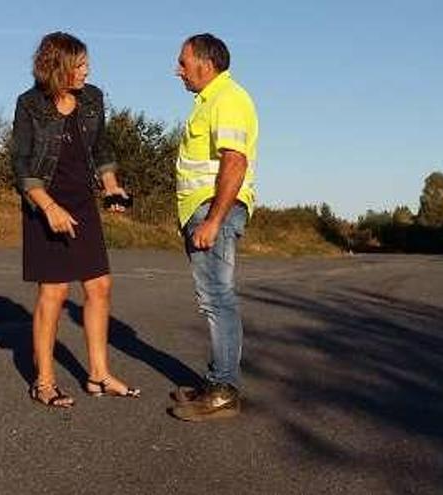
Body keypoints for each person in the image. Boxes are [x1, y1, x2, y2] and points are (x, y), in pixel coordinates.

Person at [11, 31, 139, 407]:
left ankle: (98, 375)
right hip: (44, 203)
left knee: (100, 286)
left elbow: (101, 148)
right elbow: (20, 164)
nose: (87, 71)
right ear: (59, 67)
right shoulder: (30, 104)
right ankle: (45, 382)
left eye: (86, 63)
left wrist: (112, 186)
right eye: (80, 65)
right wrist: (48, 207)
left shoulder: (93, 99)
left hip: (82, 201)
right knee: (55, 292)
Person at [167, 33, 259, 421]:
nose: (178, 70)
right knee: (214, 298)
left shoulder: (228, 98)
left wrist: (214, 219)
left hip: (212, 210)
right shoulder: (210, 100)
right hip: (204, 210)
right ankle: (215, 382)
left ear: (205, 63)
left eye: (183, 62)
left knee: (217, 299)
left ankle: (223, 390)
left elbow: (234, 160)